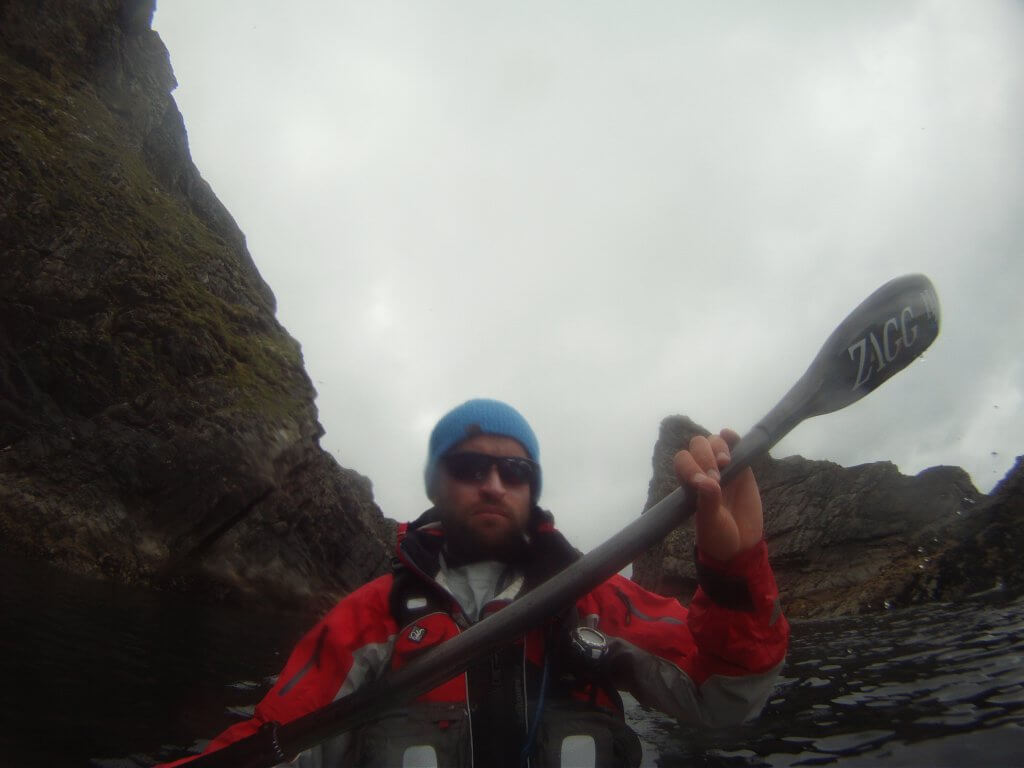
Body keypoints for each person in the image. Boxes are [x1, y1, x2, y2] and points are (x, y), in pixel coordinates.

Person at [165, 398, 789, 768]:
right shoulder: (368, 618)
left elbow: (723, 698)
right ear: (437, 484)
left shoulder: (593, 599)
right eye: (468, 466)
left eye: (514, 469)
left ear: (530, 487)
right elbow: (265, 743)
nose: (493, 484)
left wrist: (733, 576)